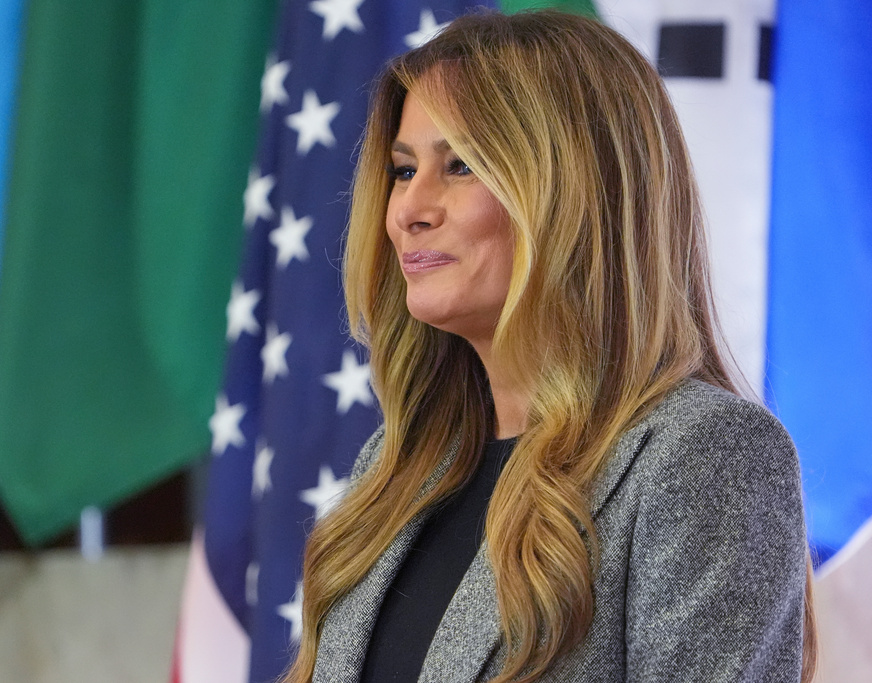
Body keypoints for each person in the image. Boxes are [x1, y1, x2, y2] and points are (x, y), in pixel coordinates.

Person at [282, 10, 816, 683]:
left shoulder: (705, 454)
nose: (408, 209)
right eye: (401, 168)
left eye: (462, 165)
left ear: (575, 192)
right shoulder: (390, 469)